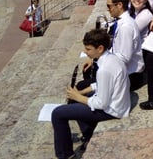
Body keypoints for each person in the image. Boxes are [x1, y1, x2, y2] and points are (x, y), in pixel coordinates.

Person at [51, 29, 130, 159]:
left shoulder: (104, 70)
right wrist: (80, 93)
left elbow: (101, 103)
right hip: (117, 105)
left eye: (88, 49)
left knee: (57, 114)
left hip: (111, 111)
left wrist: (78, 97)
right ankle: (88, 135)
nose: (85, 52)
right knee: (76, 99)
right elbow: (101, 84)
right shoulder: (112, 58)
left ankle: (65, 155)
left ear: (100, 48)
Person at [105, 0, 145, 91]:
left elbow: (125, 57)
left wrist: (101, 57)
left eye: (109, 6)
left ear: (119, 5)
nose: (108, 9)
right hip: (123, 71)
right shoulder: (121, 22)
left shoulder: (126, 27)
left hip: (130, 75)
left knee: (83, 86)